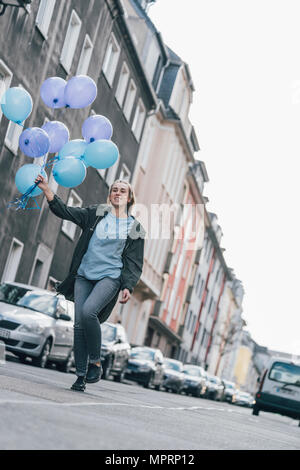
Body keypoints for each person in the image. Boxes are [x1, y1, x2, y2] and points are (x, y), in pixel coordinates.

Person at [35, 174, 145, 392]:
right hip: (84, 274)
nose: (118, 192)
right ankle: (81, 376)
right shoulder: (96, 214)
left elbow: (134, 262)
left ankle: (95, 361)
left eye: (123, 190)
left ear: (130, 198)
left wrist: (127, 286)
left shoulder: (135, 228)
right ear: (110, 194)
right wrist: (47, 189)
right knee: (78, 325)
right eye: (115, 189)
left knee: (88, 313)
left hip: (110, 276)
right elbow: (65, 212)